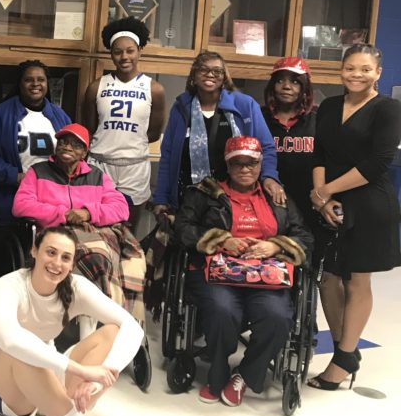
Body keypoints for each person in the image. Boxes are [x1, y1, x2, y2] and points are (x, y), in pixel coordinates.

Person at [0, 226, 142, 416]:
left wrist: (101, 377)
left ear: (72, 262)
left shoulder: (76, 287)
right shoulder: (9, 285)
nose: (57, 263)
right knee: (21, 346)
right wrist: (79, 369)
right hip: (4, 389)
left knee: (112, 332)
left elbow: (132, 327)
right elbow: (9, 339)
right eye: (50, 253)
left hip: (48, 380)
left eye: (65, 257)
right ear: (34, 251)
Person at [174, 137, 310, 407]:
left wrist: (274, 245)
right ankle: (218, 368)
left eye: (252, 163)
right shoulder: (205, 193)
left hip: (266, 277)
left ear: (261, 164)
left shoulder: (277, 197)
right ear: (228, 164)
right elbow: (182, 229)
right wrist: (221, 240)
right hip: (218, 273)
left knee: (278, 316)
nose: (245, 169)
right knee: (222, 310)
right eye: (238, 163)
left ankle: (246, 373)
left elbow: (304, 236)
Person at [307, 44, 401, 390]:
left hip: (369, 204)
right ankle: (344, 348)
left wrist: (327, 190)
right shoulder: (330, 106)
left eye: (365, 69)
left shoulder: (388, 109)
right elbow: (319, 152)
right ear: (341, 70)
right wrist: (320, 198)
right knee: (327, 278)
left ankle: (343, 357)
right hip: (329, 200)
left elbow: (377, 163)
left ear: (378, 72)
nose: (356, 75)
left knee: (357, 281)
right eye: (350, 68)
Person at [12, 124, 145, 325]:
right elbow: (21, 206)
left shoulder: (97, 175)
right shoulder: (38, 172)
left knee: (132, 261)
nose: (67, 147)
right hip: (56, 232)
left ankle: (117, 323)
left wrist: (88, 213)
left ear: (84, 152)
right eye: (63, 142)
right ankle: (105, 322)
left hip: (95, 231)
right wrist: (62, 214)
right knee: (98, 258)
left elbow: (121, 208)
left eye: (75, 145)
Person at [153, 51, 283, 218]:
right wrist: (161, 198)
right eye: (203, 69)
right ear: (194, 74)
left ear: (224, 77)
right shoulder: (181, 108)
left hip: (234, 201)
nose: (210, 75)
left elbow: (266, 147)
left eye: (217, 71)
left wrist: (269, 176)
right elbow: (168, 157)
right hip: (187, 201)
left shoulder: (244, 105)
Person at [81, 17, 166, 228]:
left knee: (127, 229)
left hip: (133, 166)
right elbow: (89, 128)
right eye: (118, 51)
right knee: (95, 225)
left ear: (139, 51)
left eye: (130, 50)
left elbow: (153, 133)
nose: (124, 56)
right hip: (100, 164)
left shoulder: (154, 88)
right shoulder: (96, 86)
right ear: (111, 54)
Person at [0, 59, 71, 229]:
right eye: (28, 79)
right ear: (20, 84)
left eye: (41, 80)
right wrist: (15, 176)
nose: (35, 84)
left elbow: (73, 153)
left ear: (47, 84)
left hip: (53, 199)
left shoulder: (61, 116)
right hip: (12, 197)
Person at [260, 58, 321, 238]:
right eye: (280, 80)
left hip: (308, 202)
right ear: (272, 85)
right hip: (266, 201)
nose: (287, 86)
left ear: (305, 88)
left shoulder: (317, 119)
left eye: (295, 81)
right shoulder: (259, 117)